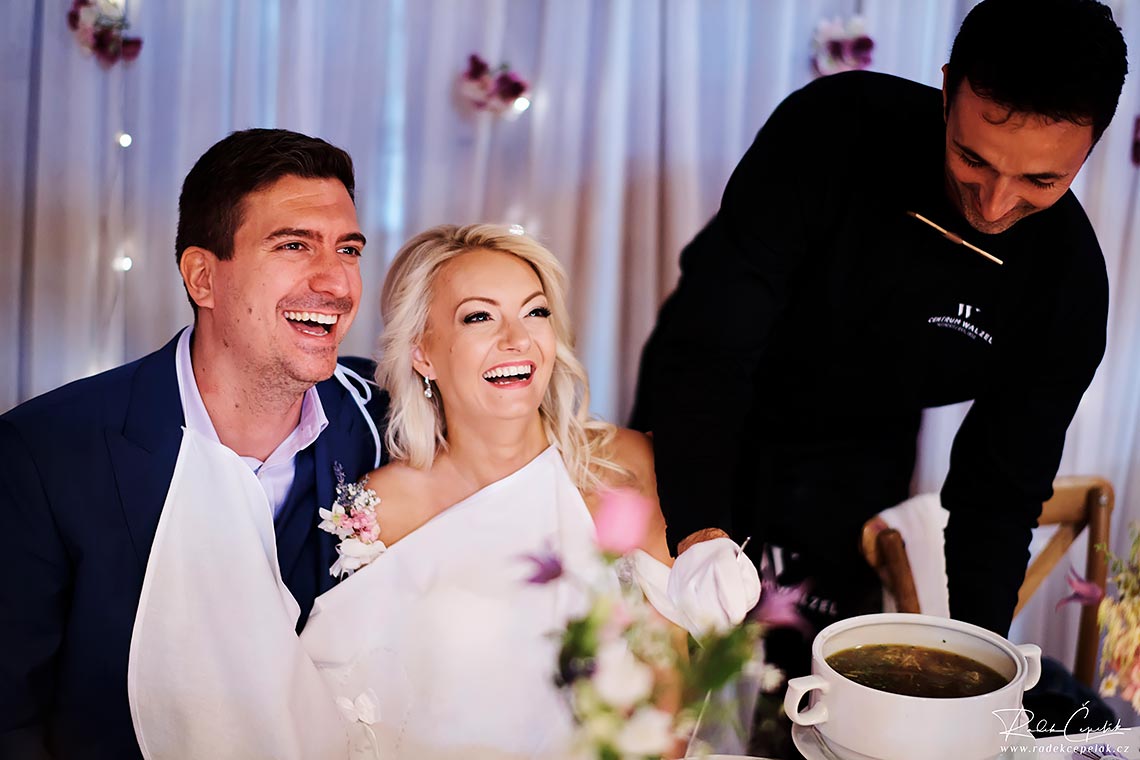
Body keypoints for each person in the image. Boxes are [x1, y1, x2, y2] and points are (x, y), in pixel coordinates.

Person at [126, 223, 761, 759]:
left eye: (534, 312)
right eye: (479, 317)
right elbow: (340, 707)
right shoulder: (378, 511)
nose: (517, 340)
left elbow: (673, 682)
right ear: (424, 352)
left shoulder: (626, 467)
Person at [631, 0, 1129, 642]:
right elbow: (710, 349)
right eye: (973, 160)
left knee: (794, 686)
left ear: (1090, 147)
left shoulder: (1068, 285)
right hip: (709, 406)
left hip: (860, 454)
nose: (997, 202)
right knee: (659, 661)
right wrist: (699, 530)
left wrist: (980, 662)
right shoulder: (831, 130)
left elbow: (998, 495)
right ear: (947, 90)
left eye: (1040, 179)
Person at [0, 128, 388, 760]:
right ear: (203, 277)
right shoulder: (45, 454)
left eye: (348, 249)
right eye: (294, 245)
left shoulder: (392, 417)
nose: (336, 283)